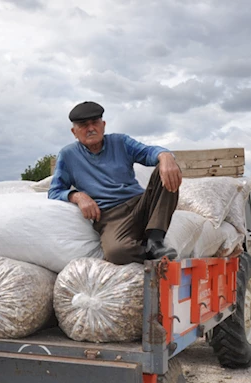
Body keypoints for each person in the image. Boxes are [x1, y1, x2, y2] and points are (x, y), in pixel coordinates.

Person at [48, 101, 183, 264]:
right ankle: (145, 251)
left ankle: (155, 241)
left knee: (168, 169)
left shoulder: (120, 142)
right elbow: (55, 191)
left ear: (103, 125)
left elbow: (148, 152)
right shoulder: (68, 155)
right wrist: (77, 196)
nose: (91, 129)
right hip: (111, 216)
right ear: (74, 132)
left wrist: (165, 156)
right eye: (83, 125)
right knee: (116, 253)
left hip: (140, 204)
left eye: (95, 123)